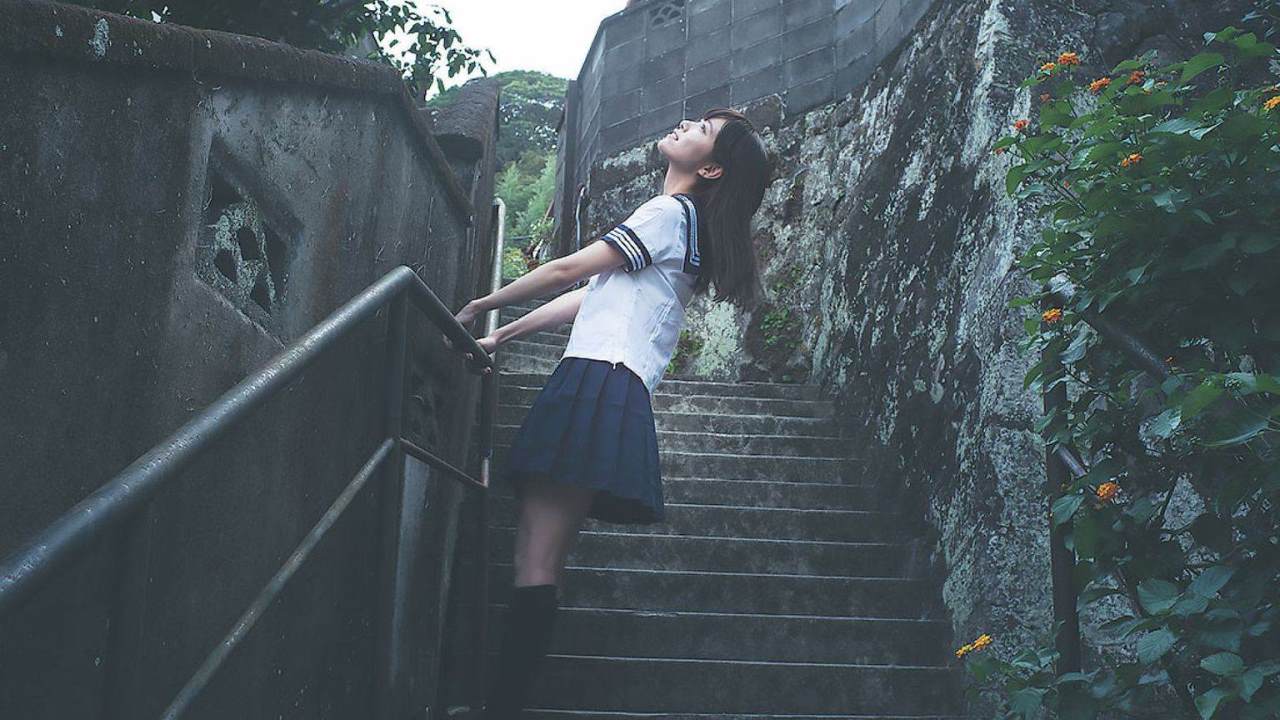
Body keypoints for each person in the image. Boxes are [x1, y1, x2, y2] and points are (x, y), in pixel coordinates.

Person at [450, 107, 771, 720]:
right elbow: (588, 294)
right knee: (544, 558)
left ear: (710, 168)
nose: (685, 124)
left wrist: (480, 303)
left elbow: (568, 269)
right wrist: (501, 335)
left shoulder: (667, 213)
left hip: (598, 380)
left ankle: (502, 707)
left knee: (535, 558)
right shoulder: (685, 226)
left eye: (702, 130)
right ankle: (505, 704)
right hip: (614, 385)